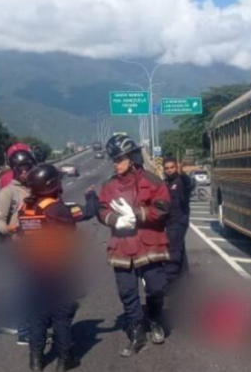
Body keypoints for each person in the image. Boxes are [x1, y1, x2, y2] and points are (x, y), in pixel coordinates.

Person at [15, 164, 98, 372]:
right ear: (51, 184)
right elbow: (85, 213)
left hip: (33, 270)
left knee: (38, 317)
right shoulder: (54, 207)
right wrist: (91, 197)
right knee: (61, 316)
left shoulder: (26, 208)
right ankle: (64, 360)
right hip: (57, 270)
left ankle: (35, 362)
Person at [98, 134, 171, 357]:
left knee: (157, 287)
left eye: (119, 159)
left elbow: (163, 208)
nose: (115, 163)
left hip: (150, 243)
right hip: (122, 245)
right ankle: (137, 331)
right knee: (127, 293)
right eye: (114, 159)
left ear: (131, 158)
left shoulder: (153, 181)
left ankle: (155, 318)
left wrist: (138, 214)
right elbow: (102, 210)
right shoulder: (109, 186)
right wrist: (114, 219)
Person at [0, 147, 37, 344]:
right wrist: (9, 229)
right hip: (19, 247)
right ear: (14, 170)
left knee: (38, 290)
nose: (25, 171)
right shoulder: (8, 192)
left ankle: (37, 327)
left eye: (27, 167)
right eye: (21, 169)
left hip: (38, 245)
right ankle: (24, 332)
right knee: (23, 290)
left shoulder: (36, 187)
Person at [162, 157, 193, 285]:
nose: (169, 170)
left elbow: (189, 185)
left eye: (172, 167)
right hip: (169, 220)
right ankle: (185, 276)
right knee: (179, 247)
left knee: (173, 249)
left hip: (179, 220)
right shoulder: (166, 183)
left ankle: (171, 279)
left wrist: (183, 174)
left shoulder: (180, 181)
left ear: (176, 167)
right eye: (167, 168)